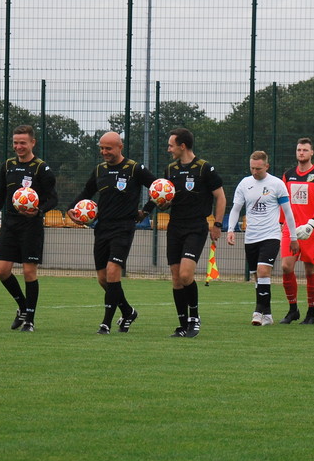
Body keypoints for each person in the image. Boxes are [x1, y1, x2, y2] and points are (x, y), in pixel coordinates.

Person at [68, 131, 156, 335]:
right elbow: (86, 193)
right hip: (102, 228)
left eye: (108, 148)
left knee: (113, 271)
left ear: (120, 147)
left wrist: (146, 210)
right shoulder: (99, 170)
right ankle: (127, 311)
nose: (104, 152)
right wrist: (71, 208)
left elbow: (159, 188)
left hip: (124, 227)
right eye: (102, 148)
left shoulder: (134, 168)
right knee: (102, 278)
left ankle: (105, 323)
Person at [143, 128, 225, 338]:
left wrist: (217, 224)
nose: (168, 149)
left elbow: (221, 197)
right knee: (176, 277)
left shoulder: (204, 168)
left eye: (171, 145)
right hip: (175, 227)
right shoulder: (170, 169)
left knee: (186, 274)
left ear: (182, 146)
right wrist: (145, 211)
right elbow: (159, 195)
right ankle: (182, 325)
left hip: (196, 227)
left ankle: (194, 319)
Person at [0, 124, 58, 332]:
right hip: (10, 225)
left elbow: (53, 199)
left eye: (23, 142)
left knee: (28, 272)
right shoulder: (7, 166)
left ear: (32, 143)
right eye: (15, 143)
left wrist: (39, 211)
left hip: (31, 227)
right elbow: (0, 195)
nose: (18, 146)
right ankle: (23, 307)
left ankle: (30, 321)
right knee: (1, 270)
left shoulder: (42, 169)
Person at [227, 151, 299, 326]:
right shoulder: (245, 183)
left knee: (263, 271)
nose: (254, 171)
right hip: (251, 237)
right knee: (258, 277)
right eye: (252, 168)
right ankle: (267, 314)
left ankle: (258, 312)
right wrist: (230, 229)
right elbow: (236, 208)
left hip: (271, 235)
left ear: (266, 166)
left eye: (258, 168)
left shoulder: (277, 184)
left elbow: (288, 212)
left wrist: (293, 236)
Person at [279, 137, 314, 325]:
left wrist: (312, 223)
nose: (301, 153)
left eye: (305, 150)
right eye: (299, 149)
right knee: (286, 266)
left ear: (311, 153)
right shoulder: (288, 175)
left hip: (310, 230)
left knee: (310, 270)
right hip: (290, 231)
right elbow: (283, 202)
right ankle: (293, 309)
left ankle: (311, 312)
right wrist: (281, 223)